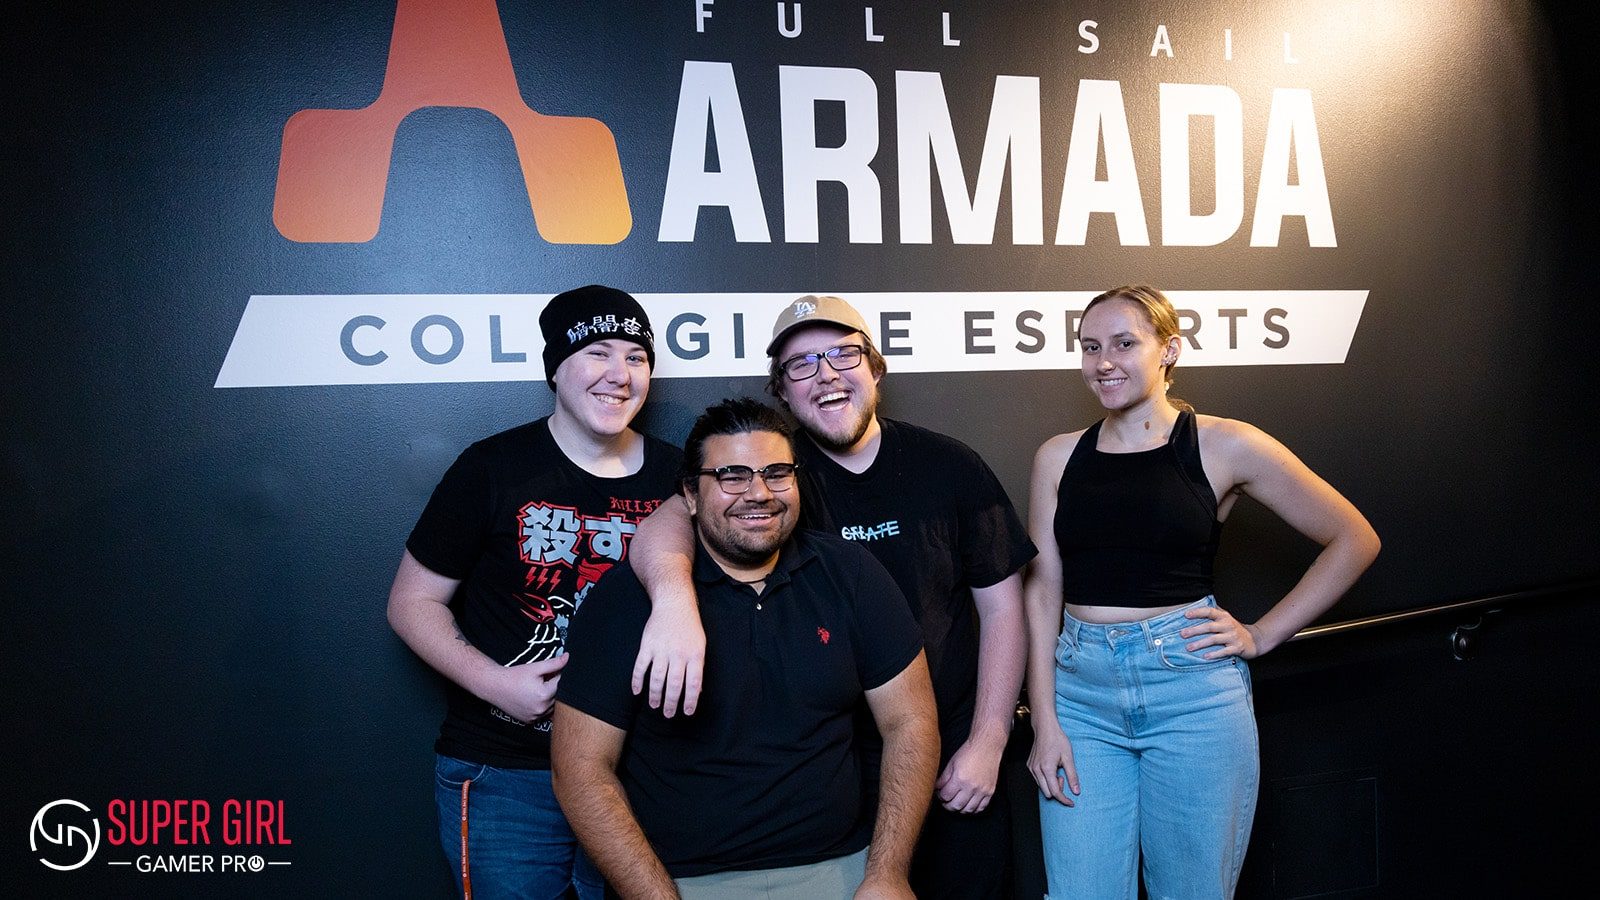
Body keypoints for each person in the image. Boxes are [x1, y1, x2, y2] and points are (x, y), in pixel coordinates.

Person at [629, 296, 1036, 898]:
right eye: (801, 364)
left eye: (843, 354)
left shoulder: (949, 464)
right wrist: (672, 600)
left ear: (874, 368)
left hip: (955, 758)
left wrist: (988, 740)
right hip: (835, 773)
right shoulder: (774, 477)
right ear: (782, 393)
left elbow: (1003, 607)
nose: (825, 374)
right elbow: (666, 520)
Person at [1023, 285, 1381, 899]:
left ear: (1170, 350)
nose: (1103, 361)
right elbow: (1041, 594)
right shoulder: (1058, 457)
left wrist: (1264, 633)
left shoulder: (1224, 444)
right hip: (1082, 699)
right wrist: (1045, 720)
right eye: (1089, 347)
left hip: (1191, 693)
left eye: (1124, 344)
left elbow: (1354, 538)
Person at [550, 398, 939, 899]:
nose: (759, 493)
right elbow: (579, 769)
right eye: (732, 476)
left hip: (840, 870)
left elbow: (910, 722)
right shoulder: (628, 598)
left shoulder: (850, 575)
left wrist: (887, 873)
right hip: (681, 881)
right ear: (690, 495)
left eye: (777, 473)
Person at [386, 285, 682, 899]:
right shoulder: (493, 468)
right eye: (598, 351)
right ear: (555, 369)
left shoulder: (680, 477)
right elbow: (412, 603)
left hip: (643, 773)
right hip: (509, 773)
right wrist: (498, 684)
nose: (619, 375)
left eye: (636, 356)